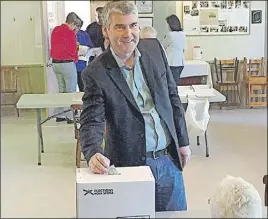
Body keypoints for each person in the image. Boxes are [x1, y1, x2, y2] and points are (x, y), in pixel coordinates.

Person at [80, 1, 191, 212]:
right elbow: (91, 119)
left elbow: (172, 97)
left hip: (169, 160)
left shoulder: (154, 49)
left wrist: (183, 141)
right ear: (106, 30)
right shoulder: (96, 72)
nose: (128, 33)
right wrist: (93, 151)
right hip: (130, 165)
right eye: (120, 26)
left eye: (133, 25)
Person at [50, 12, 82, 123]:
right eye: (76, 26)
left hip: (55, 64)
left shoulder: (55, 30)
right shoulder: (70, 33)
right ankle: (70, 117)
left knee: (61, 90)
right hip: (67, 64)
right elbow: (73, 50)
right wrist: (77, 54)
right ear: (72, 23)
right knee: (70, 91)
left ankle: (60, 115)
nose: (75, 29)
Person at [162, 14, 186, 85]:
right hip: (180, 62)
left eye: (167, 24)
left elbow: (162, 46)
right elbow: (183, 49)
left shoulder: (170, 35)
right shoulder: (183, 34)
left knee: (170, 84)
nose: (166, 26)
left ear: (171, 24)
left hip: (171, 62)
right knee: (176, 83)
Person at [76, 20, 94, 92]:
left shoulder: (81, 34)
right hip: (82, 63)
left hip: (77, 63)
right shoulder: (85, 34)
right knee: (82, 87)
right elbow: (91, 47)